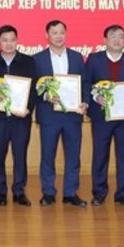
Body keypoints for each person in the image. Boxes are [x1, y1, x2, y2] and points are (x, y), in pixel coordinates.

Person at [83, 25, 124, 208]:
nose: (117, 40)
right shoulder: (94, 59)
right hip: (101, 116)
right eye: (113, 36)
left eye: (121, 37)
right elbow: (87, 83)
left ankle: (123, 194)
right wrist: (95, 97)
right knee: (100, 155)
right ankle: (99, 192)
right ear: (105, 40)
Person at [33, 20, 88, 207]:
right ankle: (48, 192)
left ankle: (70, 193)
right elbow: (34, 87)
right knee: (48, 155)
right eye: (54, 33)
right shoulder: (37, 59)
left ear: (66, 34)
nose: (58, 36)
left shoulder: (76, 57)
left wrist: (85, 102)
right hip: (49, 115)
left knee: (73, 156)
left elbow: (85, 83)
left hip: (73, 115)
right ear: (46, 35)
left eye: (61, 32)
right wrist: (46, 95)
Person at [0, 25, 36, 207]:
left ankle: (19, 191)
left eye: (12, 40)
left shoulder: (28, 62)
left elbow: (33, 90)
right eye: (4, 40)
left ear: (17, 40)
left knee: (20, 155)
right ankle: (0, 192)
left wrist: (28, 108)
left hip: (21, 117)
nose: (8, 44)